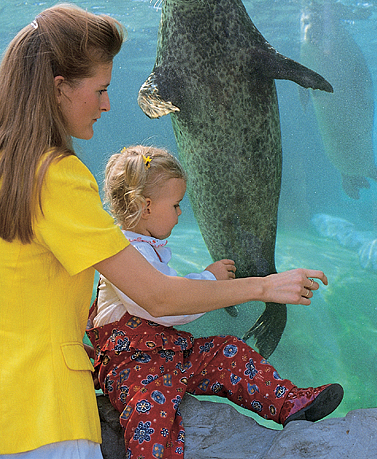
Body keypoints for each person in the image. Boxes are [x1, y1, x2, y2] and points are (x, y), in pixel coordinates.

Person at [0, 3, 330, 459]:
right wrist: (262, 286)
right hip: (49, 425)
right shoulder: (54, 177)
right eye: (100, 90)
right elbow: (156, 297)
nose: (107, 104)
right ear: (59, 89)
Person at [88, 145, 343, 459]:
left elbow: (171, 292)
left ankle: (290, 402)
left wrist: (205, 276)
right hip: (132, 372)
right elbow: (167, 309)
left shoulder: (148, 246)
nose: (181, 213)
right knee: (152, 417)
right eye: (177, 204)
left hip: (171, 356)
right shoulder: (124, 250)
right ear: (146, 206)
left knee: (228, 352)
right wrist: (209, 278)